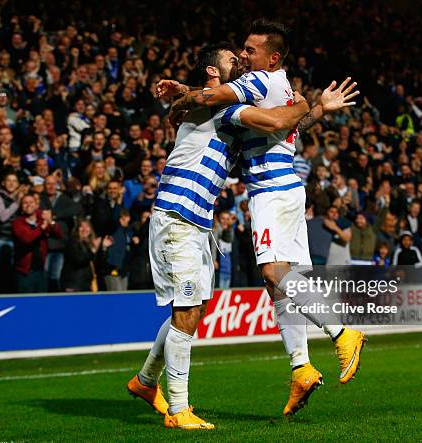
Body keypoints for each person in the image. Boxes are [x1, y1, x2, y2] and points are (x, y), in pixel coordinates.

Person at [164, 19, 365, 415]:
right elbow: (288, 125)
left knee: (274, 274)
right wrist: (318, 107)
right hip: (288, 189)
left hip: (271, 192)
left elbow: (215, 97)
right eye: (241, 48)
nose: (243, 54)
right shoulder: (280, 86)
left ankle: (343, 332)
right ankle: (301, 369)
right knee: (284, 287)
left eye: (250, 50)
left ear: (272, 58)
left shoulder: (258, 81)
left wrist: (181, 96)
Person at [127, 42, 311, 430]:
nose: (241, 64)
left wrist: (313, 109)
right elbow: (277, 121)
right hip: (178, 215)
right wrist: (306, 103)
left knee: (190, 309)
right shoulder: (220, 106)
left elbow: (278, 128)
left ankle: (145, 382)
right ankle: (178, 410)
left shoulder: (219, 109)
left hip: (195, 221)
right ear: (213, 72)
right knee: (187, 312)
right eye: (232, 60)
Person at [12, 193, 63, 293]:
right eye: (25, 203)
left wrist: (50, 221)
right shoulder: (17, 223)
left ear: (36, 205)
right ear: (21, 207)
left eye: (31, 202)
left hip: (41, 270)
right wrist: (41, 228)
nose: (28, 205)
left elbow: (59, 235)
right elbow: (27, 238)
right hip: (25, 272)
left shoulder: (42, 220)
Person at [61, 218, 112, 292]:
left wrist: (104, 247)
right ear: (77, 229)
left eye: (87, 226)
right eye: (81, 226)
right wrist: (93, 249)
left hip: (87, 285)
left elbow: (99, 264)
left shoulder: (90, 244)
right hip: (73, 285)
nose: (84, 229)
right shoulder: (72, 243)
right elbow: (80, 260)